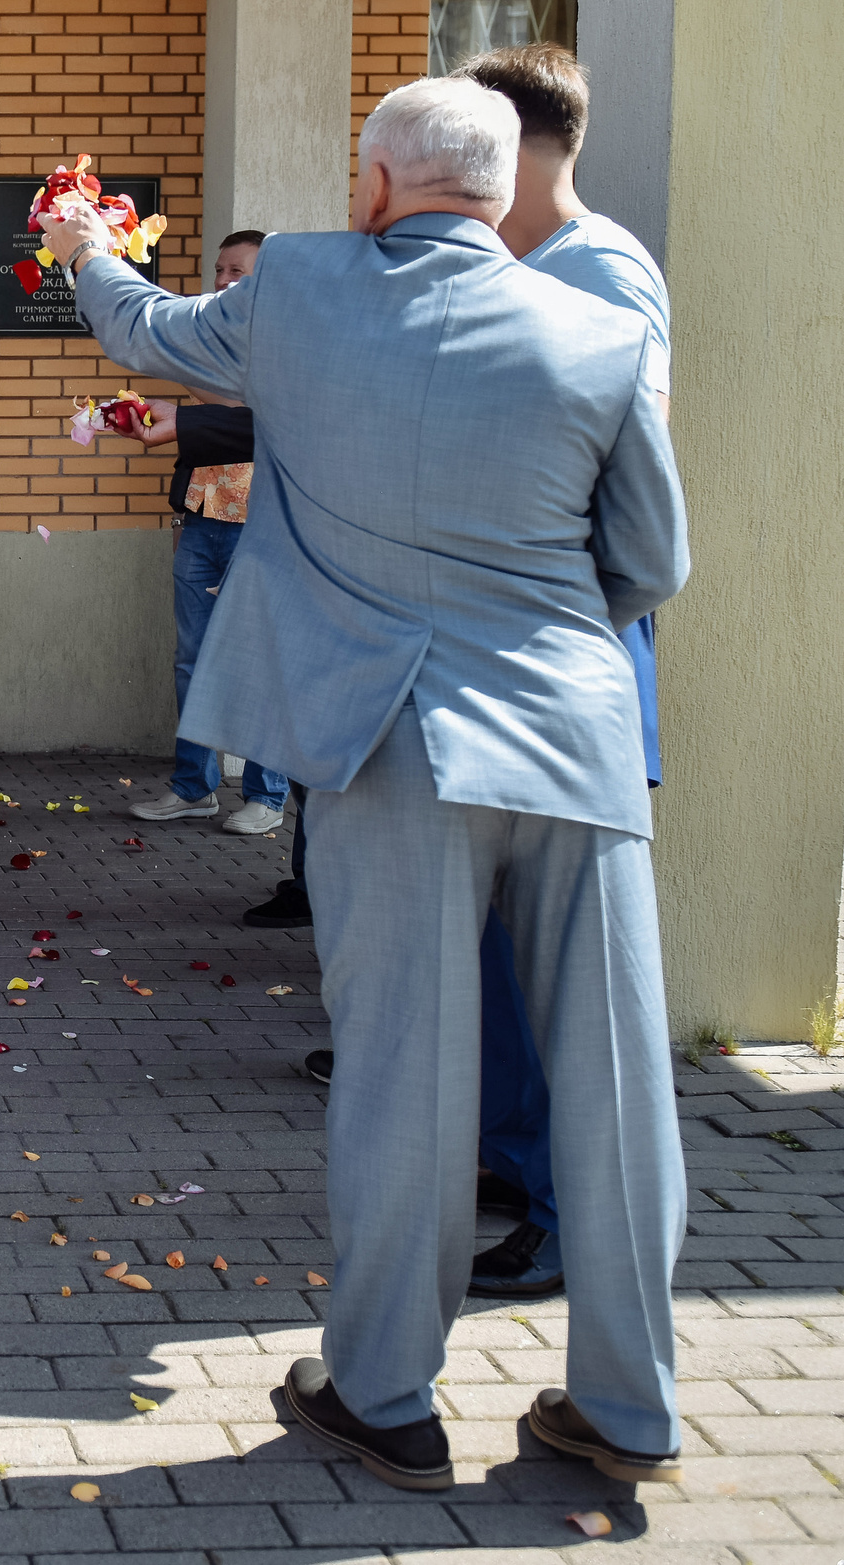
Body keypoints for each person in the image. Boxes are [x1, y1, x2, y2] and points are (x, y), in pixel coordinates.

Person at [45, 74, 688, 1490]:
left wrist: (87, 245)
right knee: (618, 1079)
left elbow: (148, 332)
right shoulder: (598, 329)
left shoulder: (304, 290)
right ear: (501, 182)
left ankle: (388, 1394)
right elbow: (653, 559)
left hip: (394, 743)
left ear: (384, 187)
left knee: (407, 1072)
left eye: (357, 174)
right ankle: (630, 1412)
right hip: (577, 738)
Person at [453, 41, 671, 1302]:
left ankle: (556, 1213)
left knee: (551, 978)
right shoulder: (525, 266)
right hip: (501, 676)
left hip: (560, 672)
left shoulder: (601, 272)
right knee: (496, 954)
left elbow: (633, 521)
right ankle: (511, 1157)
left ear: (518, 144)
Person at [123, 231, 291, 838]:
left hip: (260, 522)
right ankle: (194, 788)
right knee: (193, 659)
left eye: (237, 271)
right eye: (219, 270)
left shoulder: (287, 341)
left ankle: (267, 794)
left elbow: (243, 407)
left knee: (259, 660)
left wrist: (185, 368)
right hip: (202, 516)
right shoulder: (212, 337)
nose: (223, 281)